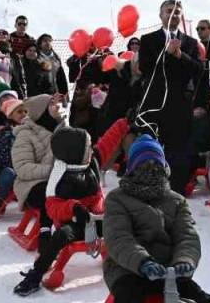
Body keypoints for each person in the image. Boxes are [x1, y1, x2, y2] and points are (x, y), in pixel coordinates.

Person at [13, 117, 130, 295]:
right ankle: (35, 275)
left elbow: (108, 140)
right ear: (74, 152)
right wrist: (73, 208)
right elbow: (52, 206)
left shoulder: (92, 161)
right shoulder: (59, 176)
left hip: (98, 218)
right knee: (61, 235)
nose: (91, 150)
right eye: (87, 148)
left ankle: (133, 265)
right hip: (75, 223)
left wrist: (124, 123)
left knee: (126, 223)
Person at [102, 135, 210, 303]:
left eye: (156, 164)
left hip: (169, 271)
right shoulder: (117, 199)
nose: (151, 169)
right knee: (128, 295)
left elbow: (186, 235)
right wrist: (143, 263)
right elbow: (118, 238)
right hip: (129, 270)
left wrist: (184, 261)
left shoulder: (176, 201)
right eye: (143, 164)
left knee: (204, 300)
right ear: (133, 167)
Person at [136, 0, 205, 196]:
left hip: (179, 106)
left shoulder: (191, 43)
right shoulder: (148, 39)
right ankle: (148, 189)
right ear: (161, 15)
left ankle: (176, 192)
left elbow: (198, 70)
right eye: (169, 11)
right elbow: (145, 68)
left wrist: (181, 55)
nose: (173, 15)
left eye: (177, 13)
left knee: (179, 151)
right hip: (154, 104)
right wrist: (166, 54)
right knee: (151, 148)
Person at [11, 93, 66, 242]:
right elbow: (22, 167)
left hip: (58, 178)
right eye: (51, 105)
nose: (56, 108)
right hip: (31, 184)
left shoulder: (59, 128)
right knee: (50, 194)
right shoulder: (25, 135)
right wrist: (50, 171)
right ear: (41, 112)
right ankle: (45, 233)